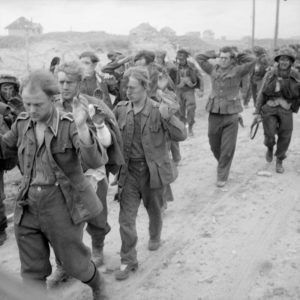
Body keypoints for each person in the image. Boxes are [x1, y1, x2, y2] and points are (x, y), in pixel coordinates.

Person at [0, 70, 108, 299]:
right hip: (27, 205)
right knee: (31, 270)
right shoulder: (22, 124)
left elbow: (95, 160)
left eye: (37, 104)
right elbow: (3, 148)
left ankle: (98, 284)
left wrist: (82, 128)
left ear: (53, 98)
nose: (31, 110)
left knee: (75, 264)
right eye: (27, 104)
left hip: (62, 205)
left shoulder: (68, 125)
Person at [49, 61, 124, 286]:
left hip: (91, 173)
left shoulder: (93, 105)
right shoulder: (50, 107)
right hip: (60, 176)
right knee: (60, 224)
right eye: (60, 82)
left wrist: (98, 125)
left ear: (80, 83)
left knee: (96, 217)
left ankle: (98, 249)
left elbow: (108, 142)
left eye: (69, 82)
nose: (64, 87)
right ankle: (63, 265)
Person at [113, 66, 187, 280]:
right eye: (126, 87)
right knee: (125, 218)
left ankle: (155, 235)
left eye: (133, 87)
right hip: (128, 173)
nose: (128, 91)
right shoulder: (120, 109)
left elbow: (181, 134)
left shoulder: (158, 109)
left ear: (145, 87)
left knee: (154, 210)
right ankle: (128, 260)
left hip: (152, 172)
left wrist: (168, 116)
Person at [196, 47, 256, 187]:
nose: (222, 60)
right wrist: (214, 53)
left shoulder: (238, 70)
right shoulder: (212, 69)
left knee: (228, 148)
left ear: (231, 59)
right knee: (213, 144)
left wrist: (237, 55)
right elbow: (199, 57)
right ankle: (223, 163)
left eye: (226, 58)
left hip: (232, 114)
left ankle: (222, 174)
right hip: (214, 113)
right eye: (221, 57)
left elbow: (252, 59)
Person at [253, 47, 300, 173]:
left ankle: (279, 160)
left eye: (287, 60)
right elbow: (261, 92)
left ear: (291, 62)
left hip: (286, 108)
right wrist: (257, 112)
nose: (284, 62)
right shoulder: (270, 73)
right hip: (270, 107)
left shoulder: (295, 75)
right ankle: (269, 147)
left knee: (285, 135)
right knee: (269, 134)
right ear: (278, 60)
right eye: (282, 59)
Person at [0, 74, 24, 245]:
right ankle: (1, 228)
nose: (8, 92)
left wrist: (18, 112)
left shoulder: (20, 102)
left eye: (11, 88)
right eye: (4, 88)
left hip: (21, 149)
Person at [173, 49, 199, 136]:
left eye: (182, 55)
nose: (180, 57)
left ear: (186, 57)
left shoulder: (191, 65)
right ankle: (182, 128)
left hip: (189, 90)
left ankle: (190, 127)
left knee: (191, 108)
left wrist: (199, 87)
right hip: (178, 90)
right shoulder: (174, 66)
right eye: (178, 55)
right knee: (180, 110)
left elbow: (198, 76)